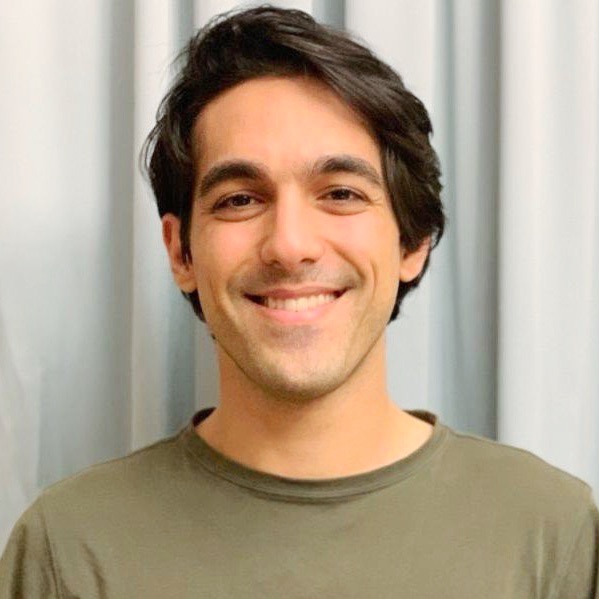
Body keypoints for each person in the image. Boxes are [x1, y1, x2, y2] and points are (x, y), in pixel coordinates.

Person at [1, 6, 597, 598]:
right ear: (181, 251)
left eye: (340, 193)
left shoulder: (553, 535)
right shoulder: (67, 551)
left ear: (413, 241)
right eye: (240, 200)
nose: (289, 246)